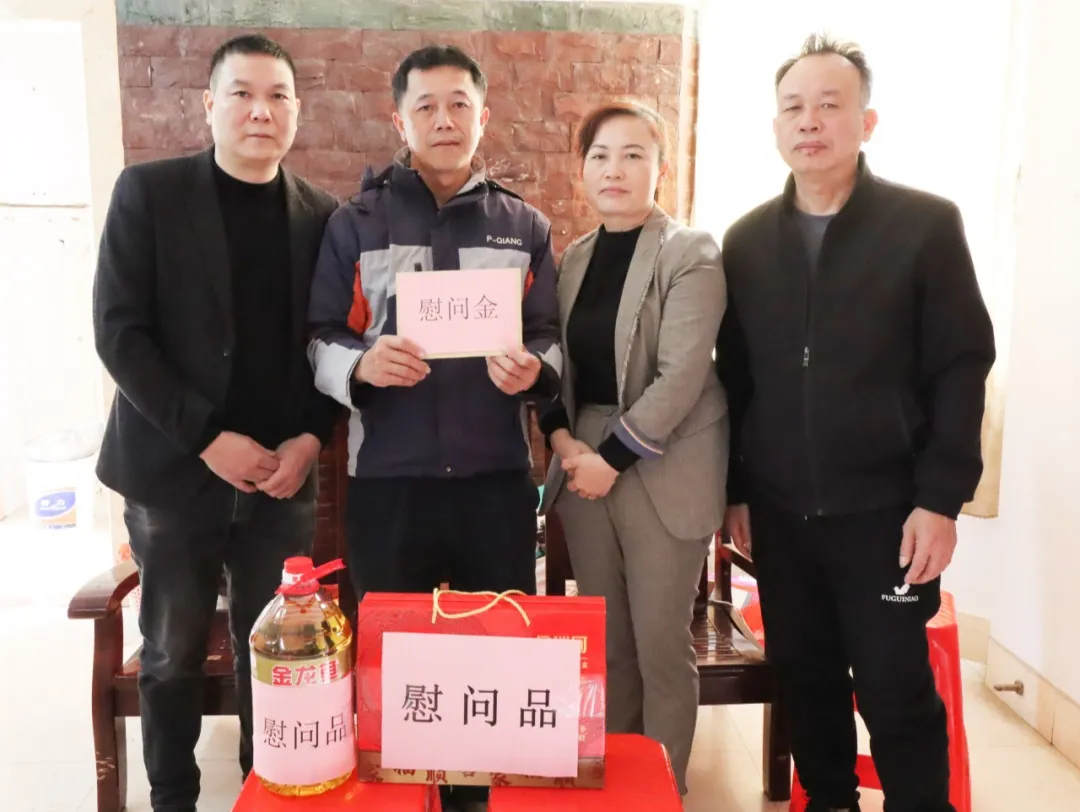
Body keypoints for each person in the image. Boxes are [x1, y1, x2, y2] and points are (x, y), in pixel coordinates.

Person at [716, 34, 996, 812]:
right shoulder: (746, 241)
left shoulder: (925, 225)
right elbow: (734, 380)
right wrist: (736, 491)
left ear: (866, 122)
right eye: (793, 108)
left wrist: (940, 500)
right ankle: (830, 800)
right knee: (805, 681)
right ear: (776, 127)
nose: (810, 122)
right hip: (781, 515)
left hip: (888, 515)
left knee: (893, 688)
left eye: (829, 105)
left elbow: (961, 365)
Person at [306, 45, 560, 810]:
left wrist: (535, 371)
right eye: (426, 106)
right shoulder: (355, 224)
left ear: (483, 117)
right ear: (399, 120)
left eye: (459, 105)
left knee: (493, 659)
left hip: (494, 482)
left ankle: (477, 800)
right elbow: (320, 336)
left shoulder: (524, 226)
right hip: (389, 482)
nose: (444, 120)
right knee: (395, 660)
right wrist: (361, 365)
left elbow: (549, 335)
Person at [92, 34, 340, 811]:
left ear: (297, 110)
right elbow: (120, 333)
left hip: (281, 477)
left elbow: (335, 342)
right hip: (173, 474)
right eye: (242, 94)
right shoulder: (149, 194)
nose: (261, 111)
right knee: (170, 652)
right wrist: (205, 438)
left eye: (277, 96)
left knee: (277, 655)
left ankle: (271, 789)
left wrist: (311, 438)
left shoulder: (322, 216)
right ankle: (173, 797)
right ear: (209, 105)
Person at [537, 100, 728, 795]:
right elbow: (558, 364)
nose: (614, 169)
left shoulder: (690, 252)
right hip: (584, 458)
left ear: (661, 169)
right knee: (608, 642)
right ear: (583, 169)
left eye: (633, 155)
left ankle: (660, 790)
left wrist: (607, 460)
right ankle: (615, 784)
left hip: (661, 460)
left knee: (659, 645)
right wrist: (564, 441)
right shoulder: (575, 257)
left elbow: (682, 376)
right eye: (600, 155)